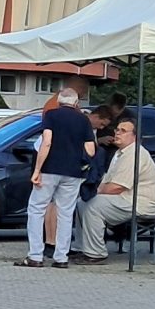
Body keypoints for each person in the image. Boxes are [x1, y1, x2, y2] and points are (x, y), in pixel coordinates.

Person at [20, 83, 96, 269]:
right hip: (73, 172)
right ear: (76, 103)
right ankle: (61, 257)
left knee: (37, 209)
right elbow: (91, 150)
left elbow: (46, 142)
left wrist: (37, 170)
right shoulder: (84, 120)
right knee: (66, 213)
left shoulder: (51, 115)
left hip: (49, 169)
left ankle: (35, 256)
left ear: (59, 102)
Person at [75, 113, 155, 260]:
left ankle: (96, 253)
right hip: (125, 199)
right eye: (117, 130)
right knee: (82, 202)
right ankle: (82, 248)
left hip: (138, 202)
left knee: (91, 205)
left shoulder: (135, 153)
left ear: (135, 136)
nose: (117, 133)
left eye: (123, 131)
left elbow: (117, 187)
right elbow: (108, 182)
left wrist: (95, 191)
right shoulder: (121, 153)